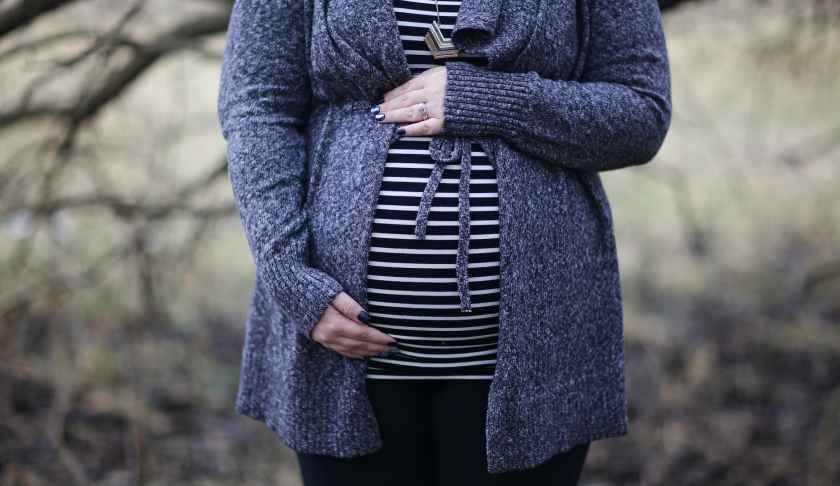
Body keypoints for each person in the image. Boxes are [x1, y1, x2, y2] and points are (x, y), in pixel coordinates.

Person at [216, 0, 671, 484]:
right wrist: (287, 273)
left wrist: (491, 99)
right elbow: (256, 103)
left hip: (536, 362)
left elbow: (641, 113)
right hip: (339, 356)